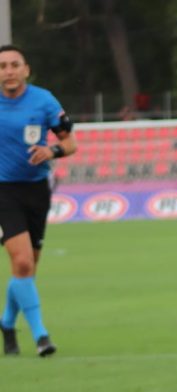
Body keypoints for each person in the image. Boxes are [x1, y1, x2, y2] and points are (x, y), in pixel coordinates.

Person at [0, 45, 77, 357]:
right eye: (2, 66)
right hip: (3, 191)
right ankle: (41, 336)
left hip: (36, 191)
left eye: (14, 65)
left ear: (26, 70)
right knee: (21, 262)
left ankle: (6, 323)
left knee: (27, 270)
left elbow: (70, 143)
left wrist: (51, 151)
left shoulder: (44, 101)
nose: (8, 71)